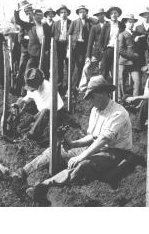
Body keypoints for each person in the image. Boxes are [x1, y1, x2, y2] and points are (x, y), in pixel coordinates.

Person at [15, 75, 133, 204]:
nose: (90, 101)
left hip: (115, 152)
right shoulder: (96, 110)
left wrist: (80, 156)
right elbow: (93, 137)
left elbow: (103, 140)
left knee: (83, 164)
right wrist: (73, 144)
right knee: (55, 150)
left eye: (92, 96)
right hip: (96, 146)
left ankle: (43, 187)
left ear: (104, 93)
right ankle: (22, 172)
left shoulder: (118, 113)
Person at [13, 68, 64, 141]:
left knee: (45, 113)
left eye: (32, 88)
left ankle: (31, 135)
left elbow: (44, 112)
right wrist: (20, 103)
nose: (31, 90)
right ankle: (24, 127)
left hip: (55, 114)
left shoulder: (47, 90)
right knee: (23, 125)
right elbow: (29, 96)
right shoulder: (34, 84)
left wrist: (32, 121)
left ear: (38, 84)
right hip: (42, 111)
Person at [78, 8, 108, 92]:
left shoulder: (109, 25)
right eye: (98, 15)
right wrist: (88, 56)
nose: (100, 16)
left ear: (104, 15)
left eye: (102, 14)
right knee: (87, 68)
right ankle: (83, 87)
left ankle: (104, 87)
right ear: (97, 16)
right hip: (96, 52)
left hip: (106, 51)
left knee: (105, 69)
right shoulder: (95, 27)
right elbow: (90, 43)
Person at [14, 6, 51, 70]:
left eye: (40, 15)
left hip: (43, 52)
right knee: (29, 70)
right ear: (34, 16)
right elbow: (18, 21)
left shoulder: (45, 26)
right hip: (32, 53)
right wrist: (16, 12)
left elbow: (49, 38)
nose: (39, 17)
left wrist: (47, 50)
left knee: (44, 71)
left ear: (42, 16)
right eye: (37, 15)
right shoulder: (29, 26)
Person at [67, 5, 93, 92]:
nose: (82, 14)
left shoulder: (89, 23)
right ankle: (69, 86)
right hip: (74, 46)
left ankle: (75, 85)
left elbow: (96, 23)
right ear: (78, 13)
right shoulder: (74, 22)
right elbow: (69, 35)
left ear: (86, 13)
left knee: (79, 66)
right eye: (80, 12)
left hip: (83, 47)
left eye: (84, 12)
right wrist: (68, 49)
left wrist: (90, 18)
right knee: (71, 66)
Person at [118, 14, 140, 98]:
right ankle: (122, 100)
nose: (132, 24)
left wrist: (136, 42)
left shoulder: (136, 34)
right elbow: (120, 50)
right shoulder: (122, 34)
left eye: (133, 22)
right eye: (130, 22)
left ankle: (135, 100)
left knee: (137, 81)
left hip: (134, 63)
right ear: (126, 23)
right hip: (124, 62)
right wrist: (133, 55)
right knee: (121, 82)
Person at [99, 6, 124, 80]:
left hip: (118, 50)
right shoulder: (106, 26)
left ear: (118, 14)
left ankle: (115, 90)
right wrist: (103, 51)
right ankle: (104, 90)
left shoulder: (121, 25)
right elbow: (101, 41)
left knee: (115, 70)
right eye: (112, 13)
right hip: (108, 50)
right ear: (110, 16)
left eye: (115, 13)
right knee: (104, 70)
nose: (114, 15)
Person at [52, 5, 72, 95]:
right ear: (59, 14)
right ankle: (59, 88)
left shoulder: (71, 23)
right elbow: (53, 35)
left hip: (67, 46)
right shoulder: (55, 23)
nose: (63, 14)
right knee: (59, 67)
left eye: (65, 12)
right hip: (58, 46)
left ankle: (69, 87)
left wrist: (69, 47)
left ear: (67, 13)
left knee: (69, 67)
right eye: (61, 12)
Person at [16, 2, 34, 95]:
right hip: (24, 50)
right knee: (21, 69)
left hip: (33, 52)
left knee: (29, 70)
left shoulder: (34, 23)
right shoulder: (23, 24)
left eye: (30, 12)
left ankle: (25, 91)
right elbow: (20, 38)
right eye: (27, 12)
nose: (28, 14)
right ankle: (17, 89)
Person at [42, 7, 56, 79]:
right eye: (48, 14)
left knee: (53, 63)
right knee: (45, 64)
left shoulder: (55, 24)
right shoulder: (43, 24)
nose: (50, 15)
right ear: (46, 15)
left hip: (53, 46)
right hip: (45, 46)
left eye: (51, 14)